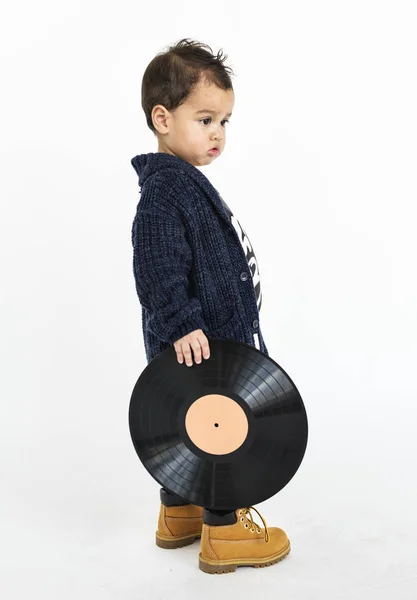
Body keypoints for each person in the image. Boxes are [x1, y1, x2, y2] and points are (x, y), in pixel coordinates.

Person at [130, 38, 291, 574]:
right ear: (162, 118)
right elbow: (158, 269)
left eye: (224, 121)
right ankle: (223, 533)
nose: (218, 132)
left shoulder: (186, 184)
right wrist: (181, 325)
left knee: (188, 430)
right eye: (205, 118)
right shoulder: (164, 193)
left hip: (210, 342)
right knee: (222, 431)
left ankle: (178, 514)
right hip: (202, 346)